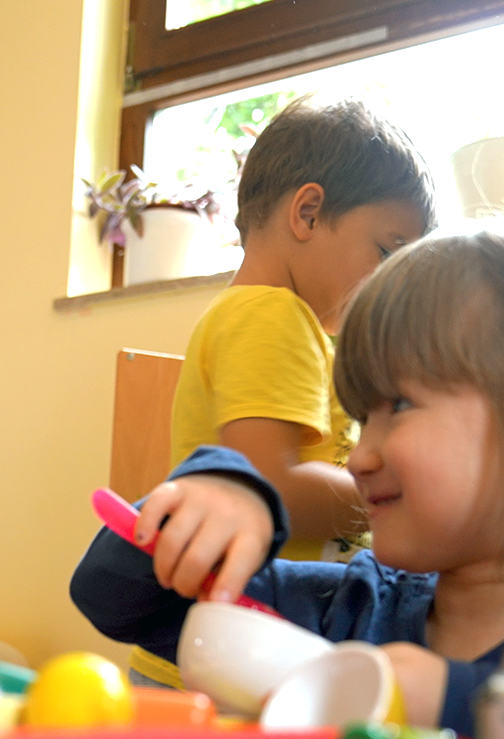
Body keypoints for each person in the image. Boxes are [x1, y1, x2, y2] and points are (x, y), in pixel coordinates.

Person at [73, 218, 504, 736]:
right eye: (360, 419)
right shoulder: (347, 610)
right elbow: (116, 597)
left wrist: (462, 704)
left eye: (399, 407)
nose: (358, 458)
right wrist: (218, 486)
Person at [134, 97, 434, 690]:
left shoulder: (274, 320)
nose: (388, 286)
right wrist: (400, 494)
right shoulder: (274, 316)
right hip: (226, 653)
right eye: (387, 252)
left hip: (237, 643)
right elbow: (268, 483)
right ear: (309, 212)